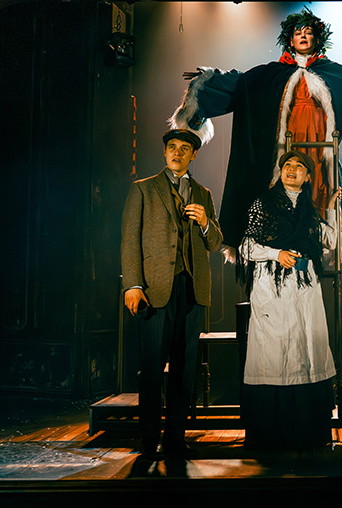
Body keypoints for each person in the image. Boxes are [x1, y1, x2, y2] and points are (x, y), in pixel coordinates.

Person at [170, 7, 342, 256]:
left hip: (318, 149)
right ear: (290, 39)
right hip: (284, 149)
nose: (303, 36)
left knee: (320, 191)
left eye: (308, 32)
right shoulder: (271, 74)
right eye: (298, 32)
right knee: (280, 191)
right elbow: (241, 84)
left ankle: (317, 239)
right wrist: (207, 81)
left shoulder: (331, 73)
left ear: (317, 39)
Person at [120, 128, 223, 459]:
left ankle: (176, 440)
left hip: (192, 291)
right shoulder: (143, 189)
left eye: (184, 149)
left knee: (184, 369)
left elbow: (215, 242)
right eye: (172, 148)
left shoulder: (203, 193)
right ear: (165, 153)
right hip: (155, 289)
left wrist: (206, 222)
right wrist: (133, 285)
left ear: (193, 155)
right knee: (152, 369)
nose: (177, 153)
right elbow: (130, 240)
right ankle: (149, 440)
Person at [237, 150, 340, 451]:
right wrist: (276, 254)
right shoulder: (264, 204)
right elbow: (246, 247)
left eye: (299, 167)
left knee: (306, 350)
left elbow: (332, 240)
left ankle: (308, 433)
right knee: (275, 353)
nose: (292, 170)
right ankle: (270, 435)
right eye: (287, 166)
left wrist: (330, 209)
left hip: (304, 287)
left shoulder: (309, 211)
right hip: (273, 287)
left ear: (307, 177)